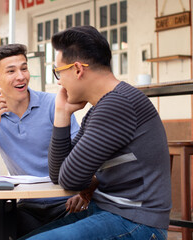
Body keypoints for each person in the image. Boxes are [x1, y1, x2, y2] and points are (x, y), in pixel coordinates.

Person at [22, 26, 172, 240]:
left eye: (58, 72)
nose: (58, 81)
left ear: (77, 69)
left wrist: (83, 180)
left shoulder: (118, 104)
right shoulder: (101, 108)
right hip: (109, 212)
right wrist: (62, 114)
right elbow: (58, 174)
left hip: (136, 222)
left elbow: (70, 179)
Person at [0, 43, 82, 237]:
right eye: (11, 71)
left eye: (24, 68)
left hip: (66, 201)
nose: (21, 76)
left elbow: (81, 154)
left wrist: (83, 191)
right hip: (28, 205)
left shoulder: (53, 104)